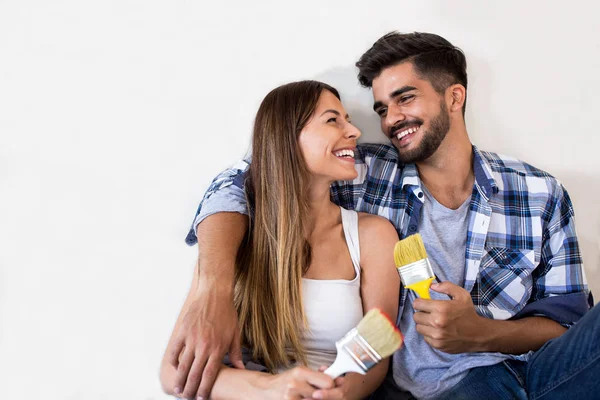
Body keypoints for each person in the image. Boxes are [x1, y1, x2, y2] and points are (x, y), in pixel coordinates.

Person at [169, 32, 597, 399]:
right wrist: (213, 287)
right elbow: (244, 178)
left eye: (404, 98)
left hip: (542, 372)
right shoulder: (363, 171)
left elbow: (569, 326)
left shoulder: (539, 191)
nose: (389, 120)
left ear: (454, 96)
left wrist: (481, 333)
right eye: (381, 109)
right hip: (456, 385)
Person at [160, 80, 400, 400]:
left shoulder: (374, 235)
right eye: (333, 120)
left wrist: (339, 395)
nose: (354, 131)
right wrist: (272, 389)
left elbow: (376, 357)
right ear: (287, 137)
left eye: (348, 119)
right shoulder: (235, 233)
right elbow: (174, 373)